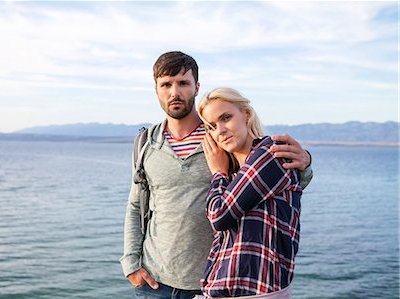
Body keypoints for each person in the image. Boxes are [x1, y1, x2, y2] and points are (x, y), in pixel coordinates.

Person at [120, 51, 313, 299]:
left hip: (211, 284)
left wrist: (305, 162)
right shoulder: (145, 143)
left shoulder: (222, 139)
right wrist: (131, 264)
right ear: (156, 89)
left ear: (196, 86)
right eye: (165, 85)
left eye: (183, 83)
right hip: (154, 282)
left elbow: (275, 180)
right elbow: (135, 206)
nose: (174, 92)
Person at [197, 87, 302, 298]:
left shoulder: (271, 153)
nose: (220, 130)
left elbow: (219, 216)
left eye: (226, 118)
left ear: (246, 114)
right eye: (211, 126)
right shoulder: (234, 174)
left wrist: (217, 172)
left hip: (258, 293)